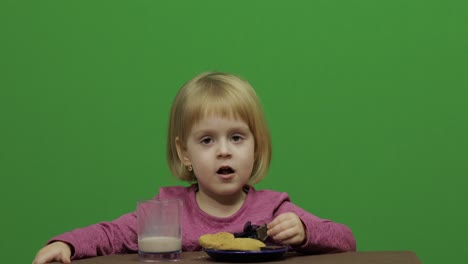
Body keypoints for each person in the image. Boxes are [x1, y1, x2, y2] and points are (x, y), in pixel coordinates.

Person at [32, 72, 356, 264]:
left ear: (256, 146)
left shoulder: (273, 210)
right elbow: (111, 234)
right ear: (183, 152)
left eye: (237, 137)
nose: (224, 151)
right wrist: (66, 244)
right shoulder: (167, 213)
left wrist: (304, 232)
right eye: (206, 141)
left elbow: (345, 240)